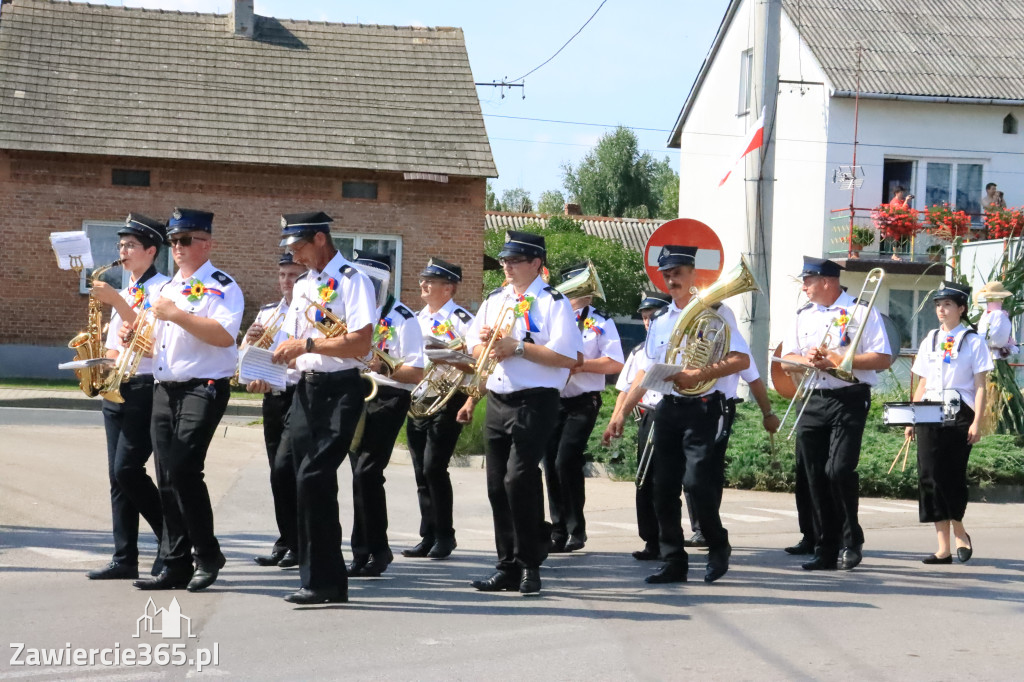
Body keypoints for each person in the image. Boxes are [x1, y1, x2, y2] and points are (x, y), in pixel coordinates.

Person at [603, 245, 751, 584]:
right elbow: (644, 372)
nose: (672, 280)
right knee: (662, 487)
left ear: (692, 274)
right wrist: (620, 414)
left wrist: (697, 375)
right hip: (666, 407)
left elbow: (741, 360)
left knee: (697, 483)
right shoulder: (660, 320)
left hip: (702, 408)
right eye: (667, 275)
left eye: (679, 273)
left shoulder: (717, 311)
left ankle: (717, 544)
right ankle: (673, 561)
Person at [461, 230, 582, 596]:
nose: (506, 266)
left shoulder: (554, 302)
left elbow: (568, 358)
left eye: (514, 260)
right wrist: (483, 341)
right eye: (504, 260)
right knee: (497, 485)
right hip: (499, 397)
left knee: (519, 477)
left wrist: (518, 348)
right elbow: (472, 347)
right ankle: (508, 565)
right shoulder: (495, 299)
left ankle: (531, 563)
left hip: (536, 398)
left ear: (535, 263)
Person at [133, 208, 244, 592]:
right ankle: (176, 562)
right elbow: (159, 343)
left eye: (185, 240)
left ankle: (208, 554)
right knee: (166, 476)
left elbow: (223, 336)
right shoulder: (164, 289)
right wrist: (139, 344)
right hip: (164, 387)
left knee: (183, 469)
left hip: (204, 385)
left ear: (206, 243)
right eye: (173, 241)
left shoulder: (222, 285)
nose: (177, 248)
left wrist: (177, 315)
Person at [271, 212, 376, 605]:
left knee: (313, 477)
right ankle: (322, 579)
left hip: (339, 389)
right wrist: (270, 361)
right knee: (300, 478)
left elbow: (361, 343)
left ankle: (322, 581)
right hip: (306, 389)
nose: (294, 255)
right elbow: (292, 341)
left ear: (319, 239)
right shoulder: (303, 285)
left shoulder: (354, 280)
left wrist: (308, 347)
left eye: (298, 246)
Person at [780, 256, 891, 572]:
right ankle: (825, 548)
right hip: (812, 398)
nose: (804, 287)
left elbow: (882, 358)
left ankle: (851, 539)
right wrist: (807, 359)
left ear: (826, 281)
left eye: (808, 281)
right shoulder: (803, 316)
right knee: (814, 476)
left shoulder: (859, 310)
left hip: (849, 396)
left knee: (838, 471)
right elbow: (786, 358)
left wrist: (841, 360)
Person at [86, 213, 170, 581]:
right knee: (115, 476)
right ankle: (125, 558)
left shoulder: (165, 289)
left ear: (151, 250)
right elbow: (117, 343)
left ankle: (173, 539)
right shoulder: (127, 287)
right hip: (116, 385)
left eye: (130, 245)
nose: (122, 251)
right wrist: (97, 365)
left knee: (128, 469)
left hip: (145, 386)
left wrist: (117, 302)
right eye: (120, 244)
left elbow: (151, 340)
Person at [347, 252, 425, 578]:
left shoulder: (403, 317)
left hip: (389, 395)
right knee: (359, 476)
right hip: (355, 392)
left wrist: (384, 365)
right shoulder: (351, 313)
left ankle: (377, 549)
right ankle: (363, 550)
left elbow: (417, 371)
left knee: (367, 472)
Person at [906, 281, 991, 564]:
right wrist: (911, 416)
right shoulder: (929, 338)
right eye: (938, 305)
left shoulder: (973, 340)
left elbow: (980, 386)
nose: (941, 310)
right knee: (928, 476)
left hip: (960, 412)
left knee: (951, 475)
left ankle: (960, 531)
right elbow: (922, 383)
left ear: (961, 309)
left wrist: (977, 421)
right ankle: (943, 547)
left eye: (948, 305)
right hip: (929, 411)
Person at [544, 262, 623, 553]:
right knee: (549, 463)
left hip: (582, 401)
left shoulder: (601, 321)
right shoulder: (553, 319)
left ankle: (577, 529)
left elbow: (615, 362)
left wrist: (579, 366)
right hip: (552, 400)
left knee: (566, 460)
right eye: (582, 290)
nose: (588, 296)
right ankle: (558, 528)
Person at [403, 257, 476, 560]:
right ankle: (428, 534)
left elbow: (476, 363)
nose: (423, 285)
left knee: (435, 466)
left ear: (449, 287)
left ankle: (446, 535)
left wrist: (471, 399)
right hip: (419, 397)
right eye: (423, 280)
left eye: (430, 281)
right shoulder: (416, 318)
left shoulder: (462, 318)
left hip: (449, 398)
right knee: (421, 470)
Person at [245, 252, 307, 570]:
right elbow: (250, 354)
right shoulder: (269, 312)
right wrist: (250, 341)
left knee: (288, 469)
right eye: (283, 275)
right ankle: (286, 540)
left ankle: (300, 543)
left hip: (299, 394)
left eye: (293, 275)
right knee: (276, 473)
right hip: (274, 398)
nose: (286, 281)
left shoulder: (310, 314)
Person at [683, 372, 781, 547]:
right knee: (690, 472)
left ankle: (706, 530)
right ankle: (700, 529)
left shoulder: (734, 345)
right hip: (686, 404)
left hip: (719, 406)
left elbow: (754, 379)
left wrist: (767, 413)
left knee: (709, 469)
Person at [614, 291, 670, 561]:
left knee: (665, 481)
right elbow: (626, 388)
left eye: (652, 317)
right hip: (647, 414)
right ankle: (651, 539)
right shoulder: (640, 351)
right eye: (645, 318)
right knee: (644, 479)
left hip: (670, 412)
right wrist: (617, 417)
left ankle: (667, 540)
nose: (647, 322)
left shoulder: (673, 345)